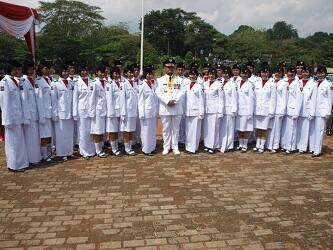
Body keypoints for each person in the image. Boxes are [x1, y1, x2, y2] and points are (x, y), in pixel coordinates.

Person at [0, 60, 29, 172]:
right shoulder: (4, 82)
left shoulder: (17, 81)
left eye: (18, 69)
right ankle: (13, 165)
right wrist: (7, 120)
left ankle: (20, 163)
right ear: (9, 70)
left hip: (18, 117)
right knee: (12, 143)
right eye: (15, 69)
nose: (17, 71)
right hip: (11, 118)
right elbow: (4, 103)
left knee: (19, 141)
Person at [156, 58, 185, 155]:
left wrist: (175, 101)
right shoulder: (159, 80)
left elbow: (182, 92)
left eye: (172, 67)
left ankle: (175, 147)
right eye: (168, 67)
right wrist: (167, 101)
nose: (170, 69)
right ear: (164, 68)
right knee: (166, 129)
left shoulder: (179, 80)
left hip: (176, 107)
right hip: (165, 108)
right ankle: (166, 147)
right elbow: (158, 93)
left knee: (176, 129)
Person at [52, 63, 75, 161]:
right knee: (61, 134)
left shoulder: (71, 83)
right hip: (60, 113)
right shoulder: (55, 83)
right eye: (64, 71)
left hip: (69, 113)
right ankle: (61, 153)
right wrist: (55, 113)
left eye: (67, 71)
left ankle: (69, 152)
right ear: (60, 72)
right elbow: (54, 100)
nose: (65, 73)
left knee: (69, 134)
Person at [21, 60, 42, 164]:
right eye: (29, 69)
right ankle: (31, 159)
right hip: (29, 115)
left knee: (35, 138)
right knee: (30, 138)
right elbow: (24, 100)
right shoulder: (23, 82)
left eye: (32, 69)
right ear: (25, 70)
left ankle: (36, 157)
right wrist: (26, 116)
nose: (31, 71)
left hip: (35, 114)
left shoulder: (33, 80)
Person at [73, 63, 95, 159]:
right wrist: (75, 113)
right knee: (82, 131)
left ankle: (91, 150)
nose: (84, 72)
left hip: (91, 110)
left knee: (90, 131)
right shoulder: (77, 83)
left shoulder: (92, 82)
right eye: (82, 70)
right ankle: (84, 151)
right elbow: (75, 99)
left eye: (85, 70)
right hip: (81, 110)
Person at [35, 60, 57, 162]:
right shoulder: (38, 81)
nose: (48, 70)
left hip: (51, 112)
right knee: (44, 135)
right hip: (43, 113)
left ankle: (49, 153)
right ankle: (44, 155)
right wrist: (41, 115)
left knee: (49, 135)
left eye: (49, 68)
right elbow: (39, 100)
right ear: (41, 69)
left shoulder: (51, 80)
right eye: (46, 68)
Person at [252, 65, 277, 153]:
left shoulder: (272, 84)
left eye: (266, 72)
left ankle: (262, 145)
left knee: (264, 128)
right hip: (257, 109)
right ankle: (257, 144)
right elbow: (253, 97)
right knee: (257, 128)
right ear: (260, 73)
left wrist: (271, 111)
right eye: (263, 72)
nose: (264, 74)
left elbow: (273, 99)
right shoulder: (256, 83)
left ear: (269, 73)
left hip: (266, 110)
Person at [309, 65, 332, 157]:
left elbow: (330, 99)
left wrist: (328, 112)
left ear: (325, 74)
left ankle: (317, 150)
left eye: (322, 73)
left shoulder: (328, 84)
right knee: (314, 131)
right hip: (315, 111)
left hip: (322, 112)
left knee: (320, 131)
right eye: (318, 73)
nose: (320, 75)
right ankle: (314, 148)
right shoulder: (315, 84)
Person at [280, 66, 303, 154]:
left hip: (293, 109)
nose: (291, 74)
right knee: (285, 129)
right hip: (284, 109)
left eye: (293, 72)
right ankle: (284, 145)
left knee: (292, 129)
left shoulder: (298, 83)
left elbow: (299, 98)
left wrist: (296, 112)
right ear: (287, 72)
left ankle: (291, 147)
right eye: (289, 72)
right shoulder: (284, 82)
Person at [266, 66, 288, 153]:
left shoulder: (284, 83)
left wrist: (282, 110)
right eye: (276, 72)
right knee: (270, 127)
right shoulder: (270, 81)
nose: (278, 74)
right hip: (270, 108)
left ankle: (275, 146)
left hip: (278, 108)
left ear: (282, 74)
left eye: (279, 72)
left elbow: (284, 98)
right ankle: (268, 144)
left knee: (277, 128)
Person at [296, 65, 317, 154]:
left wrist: (312, 112)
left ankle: (305, 147)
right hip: (298, 110)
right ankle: (299, 146)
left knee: (307, 130)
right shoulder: (298, 82)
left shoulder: (313, 84)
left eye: (307, 72)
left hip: (307, 110)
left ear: (309, 73)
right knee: (299, 129)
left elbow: (314, 99)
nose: (305, 73)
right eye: (303, 72)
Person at [138, 67, 159, 156]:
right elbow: (140, 101)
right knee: (146, 131)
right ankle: (146, 149)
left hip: (153, 112)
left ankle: (152, 147)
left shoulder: (153, 85)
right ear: (145, 75)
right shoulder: (142, 86)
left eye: (151, 74)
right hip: (146, 112)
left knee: (152, 131)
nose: (150, 75)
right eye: (148, 74)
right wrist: (141, 113)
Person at [203, 68, 224, 154]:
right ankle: (207, 145)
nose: (211, 76)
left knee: (214, 129)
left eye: (213, 74)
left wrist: (220, 111)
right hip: (206, 109)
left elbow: (221, 99)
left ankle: (213, 146)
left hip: (215, 110)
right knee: (207, 129)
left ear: (216, 75)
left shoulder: (219, 84)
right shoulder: (204, 84)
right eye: (209, 74)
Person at [184, 68, 204, 154]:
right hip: (187, 111)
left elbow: (201, 100)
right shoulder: (186, 85)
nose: (192, 76)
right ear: (189, 76)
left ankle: (194, 148)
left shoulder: (199, 86)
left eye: (194, 75)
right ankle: (188, 147)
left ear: (196, 76)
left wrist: (201, 113)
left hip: (196, 111)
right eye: (191, 75)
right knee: (188, 130)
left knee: (195, 131)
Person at [89, 64, 108, 158]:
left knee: (102, 131)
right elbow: (91, 99)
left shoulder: (106, 82)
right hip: (97, 111)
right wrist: (92, 112)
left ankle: (100, 148)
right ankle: (98, 150)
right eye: (100, 72)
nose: (102, 74)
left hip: (104, 111)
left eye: (103, 72)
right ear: (97, 72)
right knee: (97, 131)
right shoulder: (94, 83)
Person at [120, 65, 139, 156]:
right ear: (126, 73)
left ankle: (130, 147)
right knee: (126, 131)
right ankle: (127, 148)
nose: (131, 74)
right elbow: (122, 100)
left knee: (132, 130)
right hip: (127, 112)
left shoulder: (135, 83)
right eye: (129, 72)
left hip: (134, 111)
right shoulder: (123, 84)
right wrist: (123, 113)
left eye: (132, 72)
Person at [236, 67, 254, 153]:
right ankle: (240, 144)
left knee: (245, 128)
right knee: (239, 127)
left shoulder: (250, 85)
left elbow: (251, 99)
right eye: (242, 73)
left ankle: (245, 145)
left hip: (246, 109)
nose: (244, 75)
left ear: (248, 75)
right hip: (238, 109)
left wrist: (250, 112)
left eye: (246, 74)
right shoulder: (237, 83)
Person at [105, 67, 123, 156]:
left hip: (120, 110)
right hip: (113, 111)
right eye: (115, 74)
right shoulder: (110, 84)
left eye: (118, 73)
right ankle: (114, 149)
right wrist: (110, 112)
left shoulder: (121, 83)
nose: (116, 75)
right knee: (112, 131)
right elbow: (109, 99)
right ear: (112, 74)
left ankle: (116, 147)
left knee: (117, 131)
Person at [219, 66, 238, 153]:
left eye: (226, 73)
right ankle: (222, 144)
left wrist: (234, 110)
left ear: (229, 74)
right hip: (221, 109)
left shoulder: (232, 84)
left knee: (230, 128)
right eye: (224, 73)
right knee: (222, 128)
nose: (225, 75)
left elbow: (235, 98)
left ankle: (229, 145)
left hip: (229, 109)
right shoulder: (219, 83)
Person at [176, 62, 187, 146]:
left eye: (182, 70)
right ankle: (177, 140)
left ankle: (183, 140)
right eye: (179, 69)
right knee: (177, 124)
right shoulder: (175, 80)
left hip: (186, 104)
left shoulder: (188, 80)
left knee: (184, 123)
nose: (180, 71)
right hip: (177, 104)